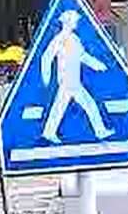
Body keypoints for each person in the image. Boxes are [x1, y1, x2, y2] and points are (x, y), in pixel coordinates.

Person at [39, 9, 110, 142]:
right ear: (68, 22)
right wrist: (46, 77)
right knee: (86, 104)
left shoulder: (74, 39)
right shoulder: (59, 39)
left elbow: (82, 56)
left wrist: (97, 65)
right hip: (67, 80)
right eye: (74, 21)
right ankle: (100, 131)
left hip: (74, 79)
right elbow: (46, 57)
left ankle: (49, 132)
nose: (76, 23)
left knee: (63, 106)